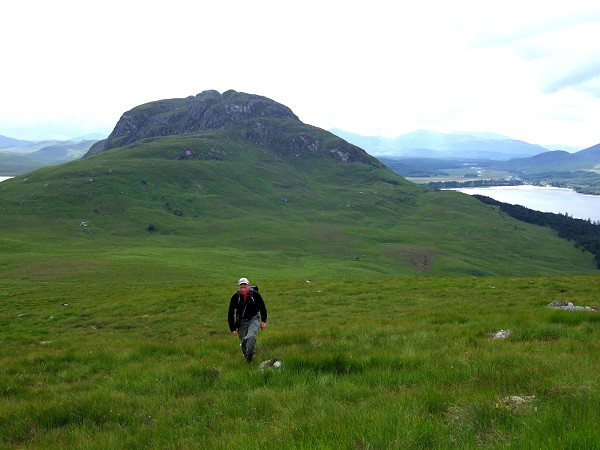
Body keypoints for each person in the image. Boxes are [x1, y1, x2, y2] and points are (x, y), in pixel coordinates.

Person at [228, 277, 267, 363]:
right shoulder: (235, 297)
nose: (243, 289)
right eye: (241, 287)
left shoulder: (255, 295)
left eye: (244, 287)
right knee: (244, 342)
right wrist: (232, 328)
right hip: (241, 322)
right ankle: (246, 355)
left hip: (253, 319)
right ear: (238, 287)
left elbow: (262, 307)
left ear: (248, 286)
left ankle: (250, 357)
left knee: (251, 336)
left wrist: (263, 321)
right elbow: (230, 313)